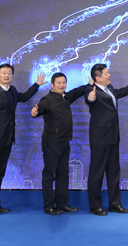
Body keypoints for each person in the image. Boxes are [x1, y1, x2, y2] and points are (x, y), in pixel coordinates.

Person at [0, 64, 45, 217]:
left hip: (7, 138)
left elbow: (24, 97)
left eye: (9, 73)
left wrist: (37, 84)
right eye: (4, 73)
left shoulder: (12, 90)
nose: (7, 75)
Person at [84, 64, 128, 216]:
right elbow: (90, 99)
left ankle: (115, 204)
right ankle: (95, 206)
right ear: (97, 77)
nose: (109, 75)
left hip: (113, 137)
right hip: (99, 138)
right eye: (106, 73)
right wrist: (90, 98)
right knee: (97, 173)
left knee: (113, 172)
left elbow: (120, 92)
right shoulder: (91, 90)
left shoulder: (110, 89)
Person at [30, 72, 91, 215]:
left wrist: (89, 85)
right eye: (59, 83)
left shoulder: (66, 97)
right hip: (51, 143)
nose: (62, 85)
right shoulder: (47, 99)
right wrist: (35, 112)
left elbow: (78, 91)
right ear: (52, 85)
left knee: (63, 175)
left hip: (64, 142)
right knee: (49, 175)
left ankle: (62, 204)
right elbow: (40, 109)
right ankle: (49, 206)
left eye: (64, 82)